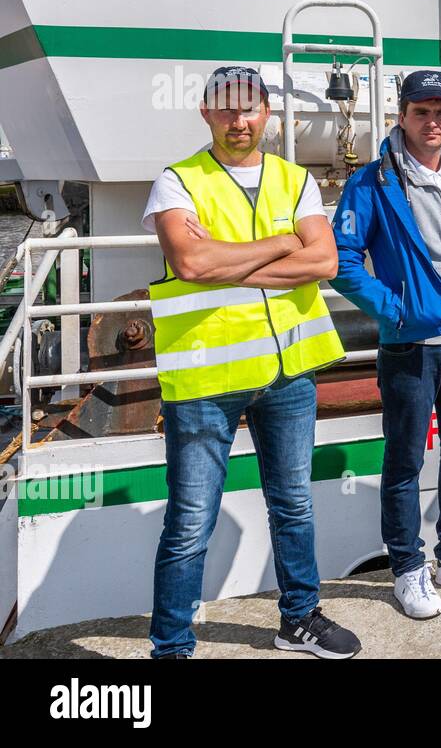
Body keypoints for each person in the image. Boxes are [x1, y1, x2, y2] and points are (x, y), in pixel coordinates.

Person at [144, 66, 358, 659]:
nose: (239, 122)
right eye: (226, 110)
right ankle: (171, 647)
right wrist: (285, 242)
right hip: (207, 379)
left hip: (288, 373)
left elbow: (324, 263)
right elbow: (190, 264)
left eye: (250, 109)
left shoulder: (294, 180)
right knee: (190, 522)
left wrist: (231, 257)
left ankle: (298, 620)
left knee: (294, 503)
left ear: (267, 113)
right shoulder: (177, 182)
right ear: (206, 113)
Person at [332, 70, 441, 619]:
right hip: (412, 344)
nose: (433, 122)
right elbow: (342, 258)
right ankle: (407, 567)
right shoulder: (373, 183)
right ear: (401, 116)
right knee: (405, 460)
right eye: (422, 112)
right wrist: (395, 309)